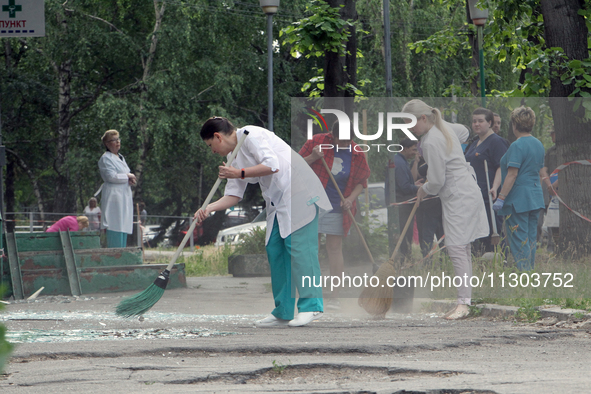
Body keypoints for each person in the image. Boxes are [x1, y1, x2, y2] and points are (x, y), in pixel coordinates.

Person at [195, 117, 331, 328]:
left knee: (301, 250)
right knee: (275, 249)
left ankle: (311, 306)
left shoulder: (251, 135)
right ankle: (283, 311)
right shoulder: (232, 157)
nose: (212, 151)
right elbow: (233, 195)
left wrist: (238, 173)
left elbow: (272, 165)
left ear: (217, 137)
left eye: (211, 146)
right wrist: (208, 208)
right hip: (278, 204)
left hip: (299, 193)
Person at [402, 99, 488, 320]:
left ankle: (463, 304)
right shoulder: (444, 127)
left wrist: (423, 190)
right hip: (466, 191)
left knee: (457, 248)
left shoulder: (430, 141)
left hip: (458, 195)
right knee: (462, 248)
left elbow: (437, 181)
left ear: (423, 118)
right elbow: (464, 131)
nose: (409, 128)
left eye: (410, 123)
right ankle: (464, 300)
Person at [299, 121, 370, 309]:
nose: (345, 145)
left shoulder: (357, 152)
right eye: (341, 141)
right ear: (332, 134)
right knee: (309, 248)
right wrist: (313, 157)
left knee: (334, 248)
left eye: (348, 141)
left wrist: (350, 199)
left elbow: (362, 182)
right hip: (312, 204)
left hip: (337, 206)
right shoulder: (317, 142)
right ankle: (310, 293)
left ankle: (334, 296)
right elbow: (296, 166)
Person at [492, 106, 546, 271]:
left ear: (514, 124)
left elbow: (512, 174)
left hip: (518, 200)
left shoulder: (517, 145)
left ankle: (523, 274)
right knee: (530, 238)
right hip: (535, 197)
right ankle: (529, 272)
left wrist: (501, 197)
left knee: (518, 238)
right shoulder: (538, 144)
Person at [464, 108, 508, 254]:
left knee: (492, 232)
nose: (476, 124)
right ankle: (483, 264)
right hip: (475, 196)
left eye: (480, 121)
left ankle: (498, 263)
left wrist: (495, 187)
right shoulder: (474, 143)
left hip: (489, 196)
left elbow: (501, 167)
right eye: (474, 121)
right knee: (480, 233)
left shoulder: (496, 142)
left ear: (489, 123)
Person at [97, 130, 136, 248]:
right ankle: (114, 253)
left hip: (124, 194)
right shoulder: (106, 158)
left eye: (118, 139)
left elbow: (124, 174)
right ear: (107, 144)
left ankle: (122, 251)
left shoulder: (120, 157)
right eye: (114, 140)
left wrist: (129, 180)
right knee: (115, 222)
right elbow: (111, 176)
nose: (117, 142)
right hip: (114, 195)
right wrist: (127, 176)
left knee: (123, 223)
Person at [393, 138, 423, 260]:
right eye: (413, 150)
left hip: (404, 205)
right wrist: (417, 187)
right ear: (404, 149)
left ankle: (406, 257)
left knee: (407, 234)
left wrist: (414, 183)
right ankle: (405, 259)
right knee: (405, 234)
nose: (415, 153)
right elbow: (404, 187)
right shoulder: (399, 164)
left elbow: (405, 182)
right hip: (402, 206)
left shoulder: (402, 161)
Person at [541, 129, 559, 250]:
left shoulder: (566, 150)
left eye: (554, 132)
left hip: (561, 187)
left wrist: (557, 184)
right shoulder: (550, 151)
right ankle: (551, 246)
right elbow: (543, 169)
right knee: (551, 216)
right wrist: (549, 184)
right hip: (550, 189)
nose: (552, 135)